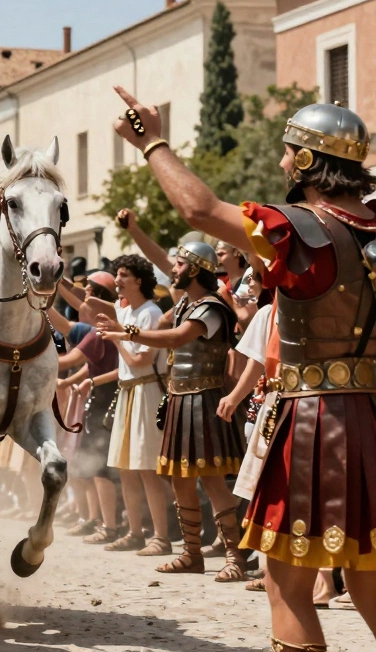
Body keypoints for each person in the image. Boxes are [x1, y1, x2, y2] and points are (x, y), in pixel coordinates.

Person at [112, 86, 376, 648]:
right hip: (373, 417)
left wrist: (152, 142)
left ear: (305, 160)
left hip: (316, 423)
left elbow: (200, 211)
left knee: (287, 587)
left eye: (287, 152)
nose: (281, 163)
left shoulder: (296, 228)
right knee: (370, 579)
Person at [100, 241, 248, 581]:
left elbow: (174, 338)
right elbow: (165, 328)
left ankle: (235, 557)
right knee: (180, 480)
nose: (174, 270)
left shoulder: (211, 307)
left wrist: (126, 332)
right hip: (180, 398)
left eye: (180, 264)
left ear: (195, 269)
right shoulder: (185, 304)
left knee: (212, 480)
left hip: (204, 400)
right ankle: (191, 554)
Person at [85, 254, 175, 556]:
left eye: (123, 274)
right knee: (125, 468)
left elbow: (140, 360)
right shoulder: (127, 311)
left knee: (147, 469)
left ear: (139, 280)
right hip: (127, 392)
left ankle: (160, 537)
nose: (118, 280)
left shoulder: (150, 312)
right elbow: (106, 309)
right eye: (117, 274)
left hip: (146, 391)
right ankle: (135, 532)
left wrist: (117, 338)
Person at [50, 271, 120, 541]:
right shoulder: (99, 329)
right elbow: (87, 364)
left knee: (99, 469)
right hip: (100, 399)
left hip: (104, 401)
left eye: (89, 293)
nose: (82, 302)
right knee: (89, 466)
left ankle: (108, 525)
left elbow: (71, 361)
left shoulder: (98, 331)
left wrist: (30, 360)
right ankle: (95, 520)